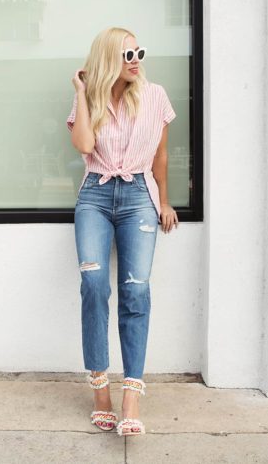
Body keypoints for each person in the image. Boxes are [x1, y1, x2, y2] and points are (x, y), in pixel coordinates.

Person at [67, 26, 179, 436]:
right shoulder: (91, 98)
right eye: (126, 55)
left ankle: (131, 393)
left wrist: (164, 200)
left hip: (138, 198)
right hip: (95, 197)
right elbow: (82, 146)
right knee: (94, 283)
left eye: (138, 53)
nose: (135, 61)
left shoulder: (156, 96)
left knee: (136, 289)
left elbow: (162, 155)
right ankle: (100, 390)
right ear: (107, 60)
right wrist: (81, 92)